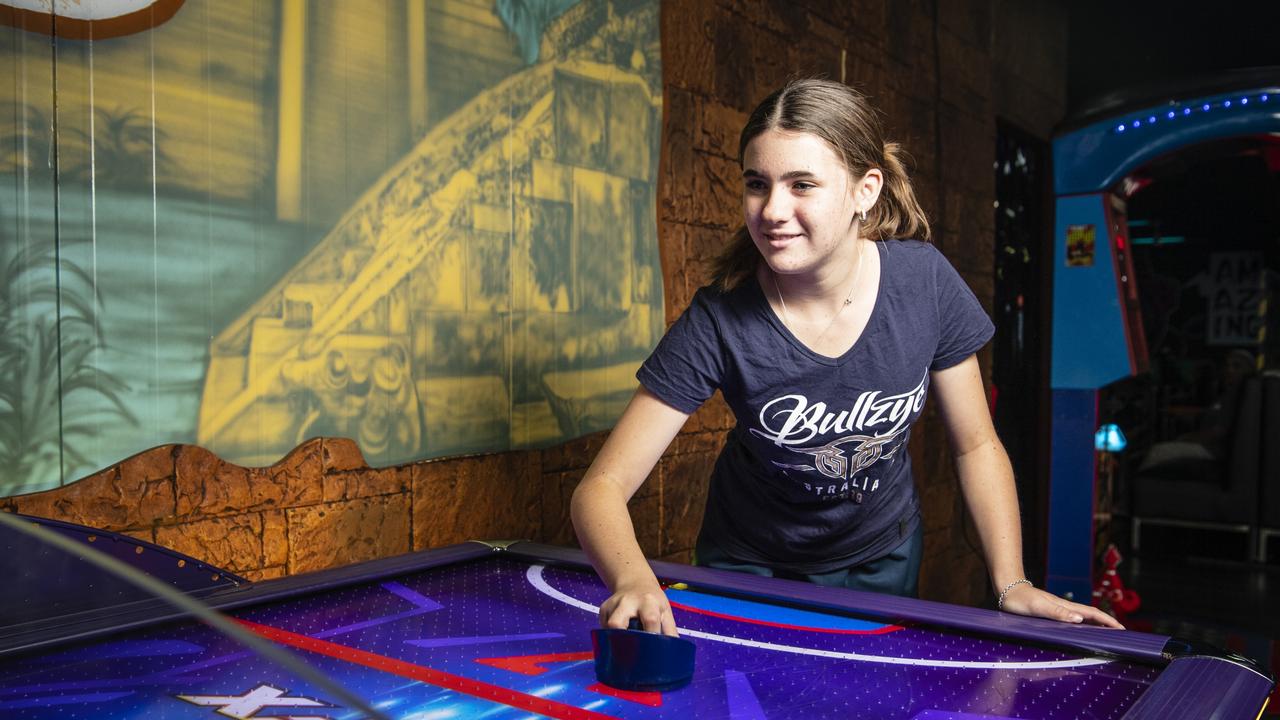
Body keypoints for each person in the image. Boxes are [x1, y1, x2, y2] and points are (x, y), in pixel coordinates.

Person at [570, 78, 1122, 636]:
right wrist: (632, 579)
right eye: (757, 184)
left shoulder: (924, 282)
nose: (771, 210)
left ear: (866, 190)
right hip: (749, 559)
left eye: (802, 184)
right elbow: (601, 487)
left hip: (880, 555)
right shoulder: (719, 317)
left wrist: (1012, 583)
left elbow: (977, 444)